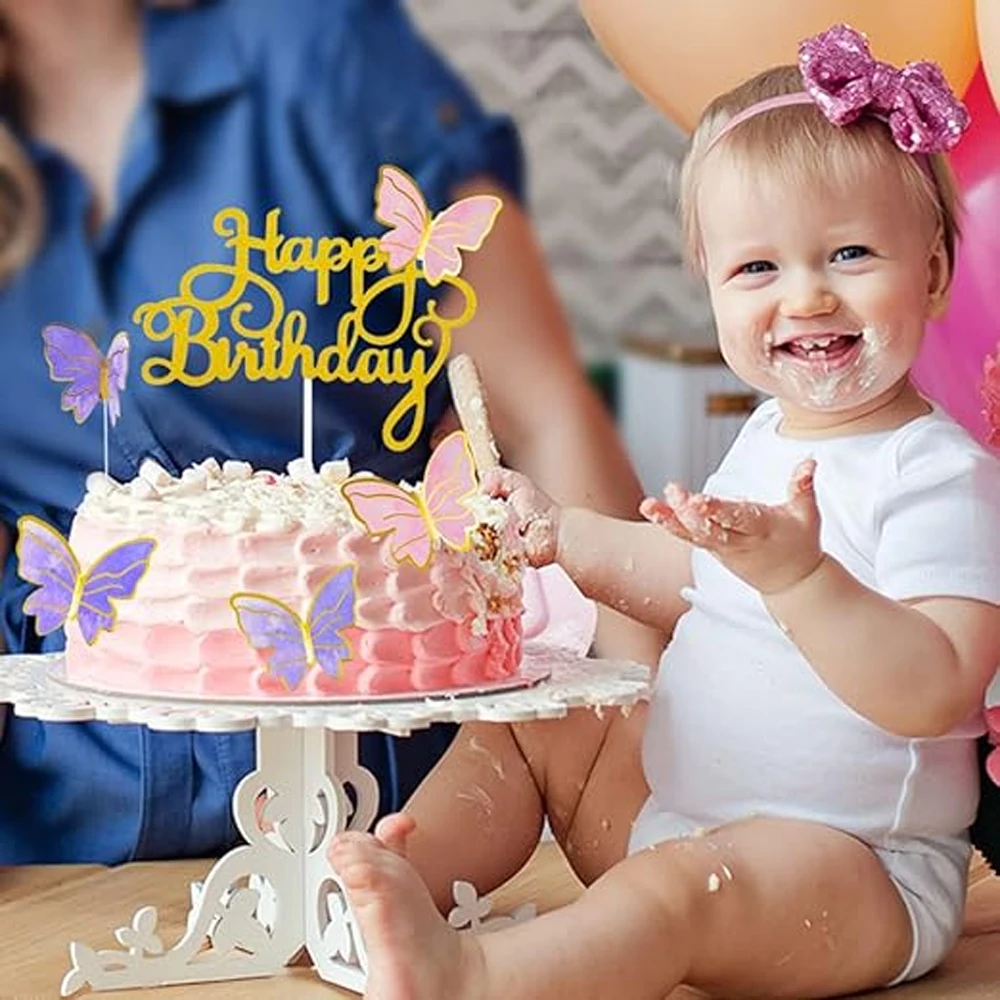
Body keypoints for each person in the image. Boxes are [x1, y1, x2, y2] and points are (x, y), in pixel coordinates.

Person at [327, 24, 1000, 999]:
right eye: (757, 270)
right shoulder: (769, 434)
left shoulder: (938, 473)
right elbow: (689, 578)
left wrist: (802, 579)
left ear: (934, 272)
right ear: (712, 286)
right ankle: (398, 887)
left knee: (683, 894)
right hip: (670, 819)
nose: (805, 296)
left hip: (850, 872)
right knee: (539, 719)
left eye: (849, 254)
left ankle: (473, 977)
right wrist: (566, 533)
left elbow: (935, 686)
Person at [0, 0, 661, 865]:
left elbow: (538, 412)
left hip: (392, 817)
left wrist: (653, 761)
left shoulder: (320, 47)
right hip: (58, 828)